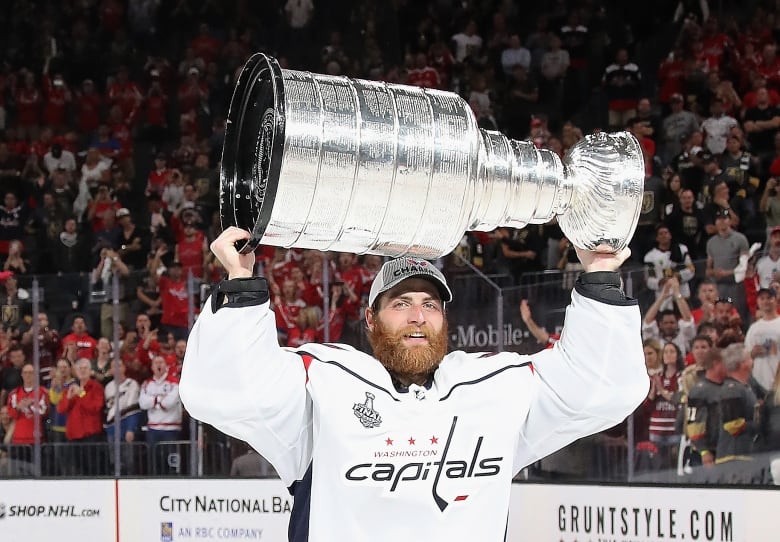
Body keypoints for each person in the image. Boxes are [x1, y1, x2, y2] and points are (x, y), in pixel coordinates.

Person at [179, 227, 648, 541]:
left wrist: (601, 278)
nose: (419, 316)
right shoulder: (322, 386)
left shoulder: (491, 389)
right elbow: (223, 391)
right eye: (401, 302)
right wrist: (240, 282)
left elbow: (601, 389)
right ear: (370, 319)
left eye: (430, 303)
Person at [139, 355, 182, 474]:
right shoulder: (147, 384)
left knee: (171, 463)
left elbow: (170, 402)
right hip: (153, 429)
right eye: (156, 363)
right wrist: (159, 399)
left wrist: (153, 401)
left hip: (171, 429)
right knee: (154, 462)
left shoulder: (175, 382)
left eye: (161, 362)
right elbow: (143, 403)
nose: (159, 365)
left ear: (166, 366)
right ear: (152, 367)